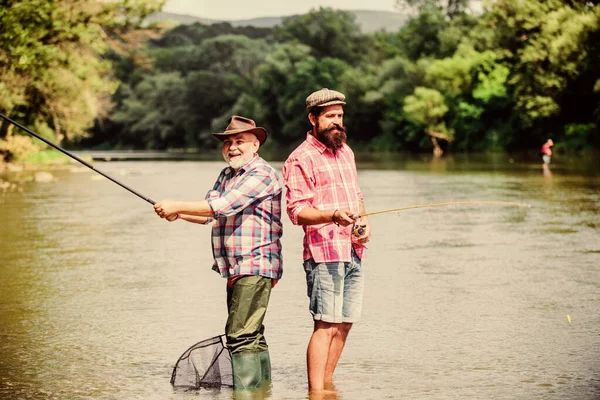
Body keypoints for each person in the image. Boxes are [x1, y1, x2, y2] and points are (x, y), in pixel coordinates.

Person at [153, 115, 283, 391]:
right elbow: (208, 214)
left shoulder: (262, 174)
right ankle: (261, 393)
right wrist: (180, 213)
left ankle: (248, 395)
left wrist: (176, 203)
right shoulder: (227, 175)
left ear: (255, 144)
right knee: (251, 335)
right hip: (236, 268)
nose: (232, 147)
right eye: (228, 143)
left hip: (255, 263)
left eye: (240, 141)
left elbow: (223, 205)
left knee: (240, 335)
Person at [282, 88, 371, 391]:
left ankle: (328, 385)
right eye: (330, 116)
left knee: (345, 322)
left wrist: (364, 220)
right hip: (323, 251)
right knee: (325, 324)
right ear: (313, 118)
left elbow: (356, 195)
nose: (337, 122)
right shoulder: (299, 158)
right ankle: (315, 392)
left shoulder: (346, 152)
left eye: (340, 116)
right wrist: (332, 215)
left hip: (354, 248)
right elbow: (297, 212)